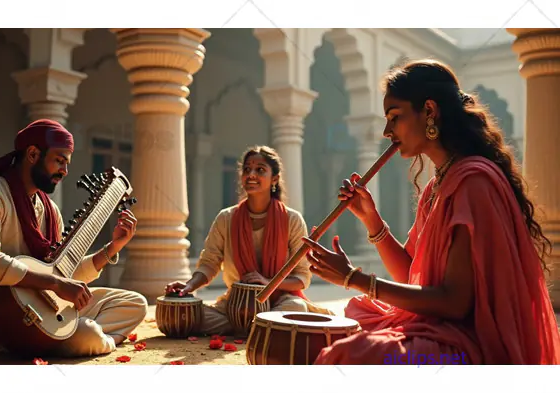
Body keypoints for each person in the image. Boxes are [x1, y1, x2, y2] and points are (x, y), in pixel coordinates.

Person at [301, 59, 560, 365]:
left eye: (394, 117)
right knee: (359, 314)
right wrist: (371, 219)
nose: (386, 131)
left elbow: (454, 303)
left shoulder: (474, 182)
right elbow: (413, 276)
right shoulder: (437, 186)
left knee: (356, 352)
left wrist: (353, 278)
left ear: (429, 111)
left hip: (470, 344)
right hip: (441, 327)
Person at [0, 119, 148, 358]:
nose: (64, 171)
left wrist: (113, 247)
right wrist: (54, 284)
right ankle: (93, 338)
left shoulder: (50, 210)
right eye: (59, 161)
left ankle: (72, 334)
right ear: (33, 154)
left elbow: (64, 273)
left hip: (45, 304)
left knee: (134, 304)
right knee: (88, 334)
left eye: (67, 163)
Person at [165, 145, 331, 336]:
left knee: (296, 307)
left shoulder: (292, 220)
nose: (251, 174)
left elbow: (302, 278)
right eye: (246, 169)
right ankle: (261, 328)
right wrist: (189, 286)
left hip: (280, 301)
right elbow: (209, 263)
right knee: (193, 315)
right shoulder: (226, 218)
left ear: (274, 179)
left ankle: (250, 327)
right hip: (236, 304)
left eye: (260, 170)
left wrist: (267, 283)